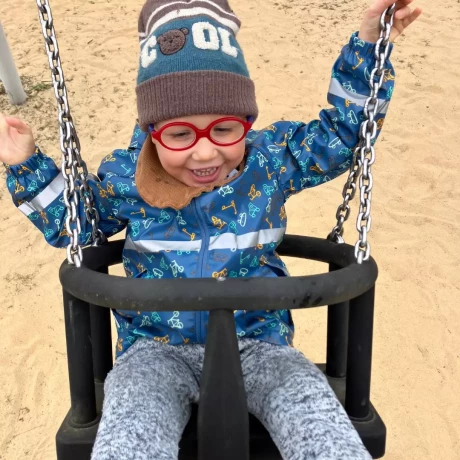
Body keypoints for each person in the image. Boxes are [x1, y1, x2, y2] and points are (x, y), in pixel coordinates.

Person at [0, 0, 422, 458]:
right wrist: (27, 165)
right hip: (154, 353)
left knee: (324, 432)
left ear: (247, 123)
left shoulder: (269, 162)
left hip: (260, 344)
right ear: (152, 131)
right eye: (180, 134)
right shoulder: (128, 177)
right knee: (127, 441)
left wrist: (370, 47)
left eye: (224, 129)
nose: (204, 154)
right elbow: (76, 225)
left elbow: (340, 138)